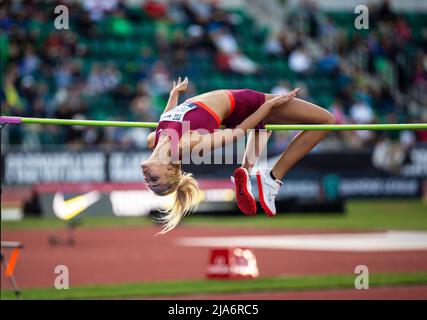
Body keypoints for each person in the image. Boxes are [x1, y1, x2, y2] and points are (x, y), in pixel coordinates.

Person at [142, 77, 335, 233]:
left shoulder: (154, 140)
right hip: (240, 102)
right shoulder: (186, 144)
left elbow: (167, 117)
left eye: (148, 182)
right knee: (327, 120)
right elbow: (237, 133)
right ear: (168, 168)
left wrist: (174, 94)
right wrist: (268, 106)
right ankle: (272, 177)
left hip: (229, 109)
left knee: (264, 128)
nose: (147, 179)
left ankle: (246, 171)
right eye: (154, 180)